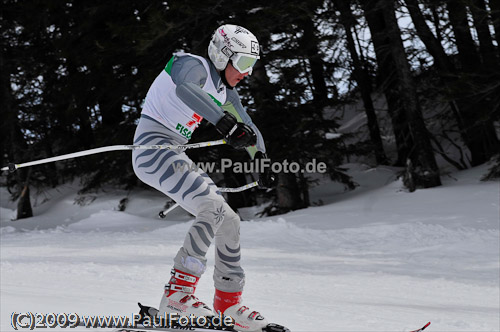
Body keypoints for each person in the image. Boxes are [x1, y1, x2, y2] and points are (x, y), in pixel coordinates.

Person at [131, 24, 273, 332]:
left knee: (230, 220)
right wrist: (224, 123)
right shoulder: (191, 64)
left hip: (173, 152)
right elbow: (186, 89)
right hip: (152, 150)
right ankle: (177, 295)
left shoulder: (225, 92)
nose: (247, 73)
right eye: (244, 64)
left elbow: (247, 128)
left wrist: (260, 160)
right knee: (213, 208)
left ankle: (228, 303)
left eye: (252, 66)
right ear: (223, 56)